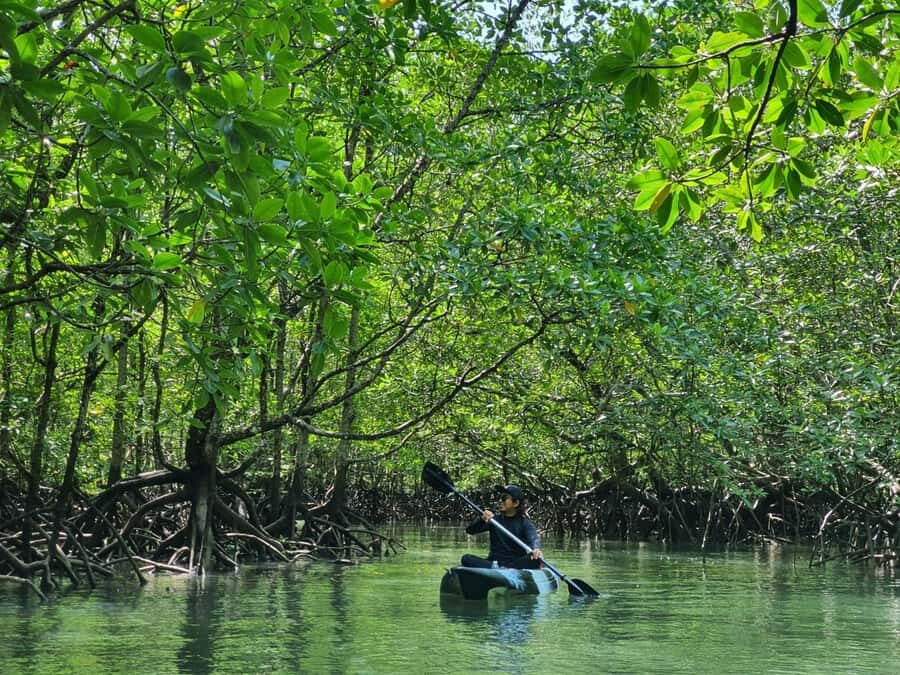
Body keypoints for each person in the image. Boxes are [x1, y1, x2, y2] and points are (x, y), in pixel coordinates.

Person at [460, 484, 544, 569]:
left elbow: (534, 539)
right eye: (499, 498)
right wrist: (481, 520)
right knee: (466, 558)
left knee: (535, 560)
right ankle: (498, 567)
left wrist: (536, 549)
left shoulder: (525, 524)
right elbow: (470, 531)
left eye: (504, 498)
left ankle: (505, 568)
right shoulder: (493, 520)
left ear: (516, 503)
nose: (500, 501)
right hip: (494, 563)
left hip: (515, 563)